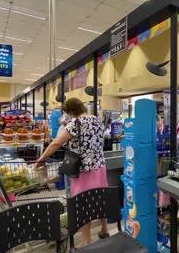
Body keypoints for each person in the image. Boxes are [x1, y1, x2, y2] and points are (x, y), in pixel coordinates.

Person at [36, 98, 109, 247]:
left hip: (83, 170)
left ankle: (86, 241)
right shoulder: (96, 120)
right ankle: (104, 228)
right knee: (101, 198)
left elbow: (56, 142)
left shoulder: (75, 123)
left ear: (70, 112)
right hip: (99, 166)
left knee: (84, 204)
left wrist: (41, 159)